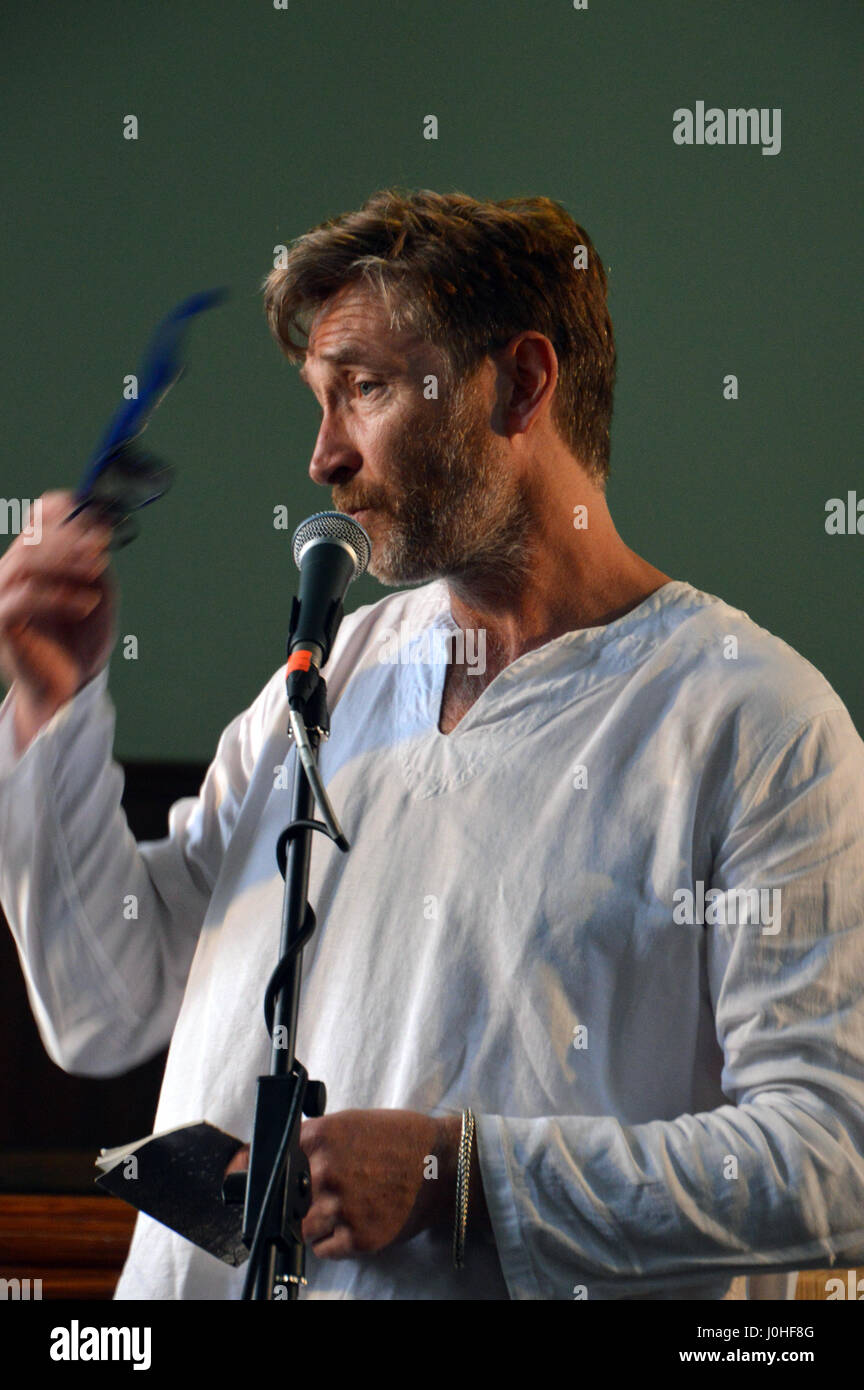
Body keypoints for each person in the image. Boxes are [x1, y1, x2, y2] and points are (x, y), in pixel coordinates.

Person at [1, 188, 863, 1301]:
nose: (322, 456)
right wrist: (48, 711)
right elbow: (99, 1002)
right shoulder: (322, 680)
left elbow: (829, 1160)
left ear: (521, 383)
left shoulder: (755, 724)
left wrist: (458, 1178)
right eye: (320, 401)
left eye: (363, 389)